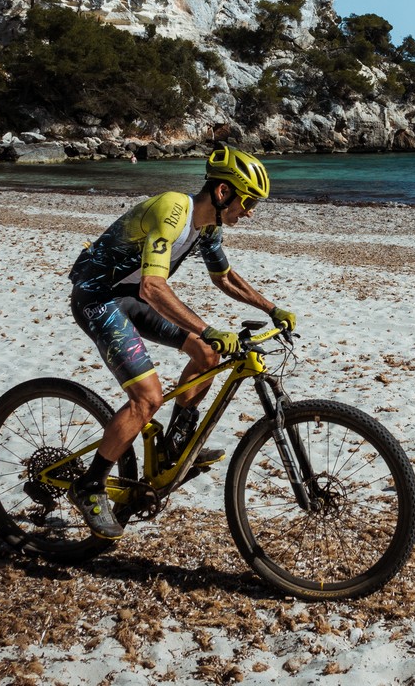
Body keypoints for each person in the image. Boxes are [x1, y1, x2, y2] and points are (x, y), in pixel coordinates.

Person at [65, 145, 295, 539]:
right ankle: (88, 485)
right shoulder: (173, 210)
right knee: (148, 398)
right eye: (249, 201)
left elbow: (224, 277)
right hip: (99, 297)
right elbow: (154, 287)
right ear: (224, 193)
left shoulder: (208, 226)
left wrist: (272, 308)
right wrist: (207, 328)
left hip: (131, 296)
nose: (252, 211)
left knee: (206, 355)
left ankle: (174, 445)